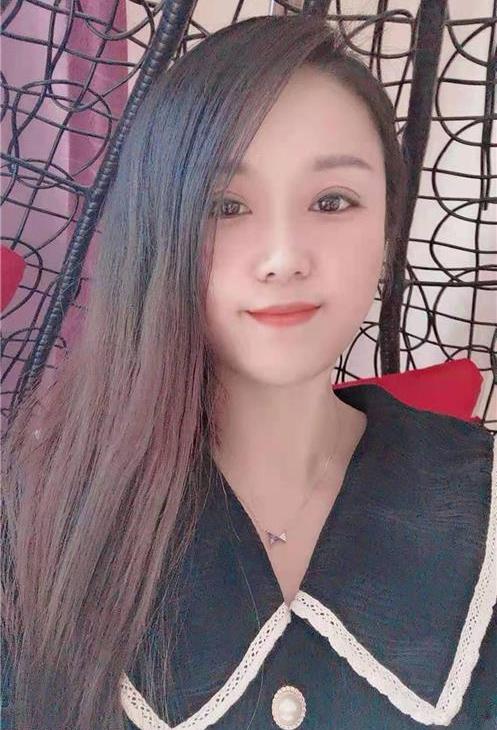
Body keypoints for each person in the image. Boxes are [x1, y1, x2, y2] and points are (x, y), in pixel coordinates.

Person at [1, 13, 495, 730]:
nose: (283, 255)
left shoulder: (479, 495)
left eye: (332, 201)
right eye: (225, 207)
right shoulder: (34, 522)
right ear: (157, 229)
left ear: (387, 228)